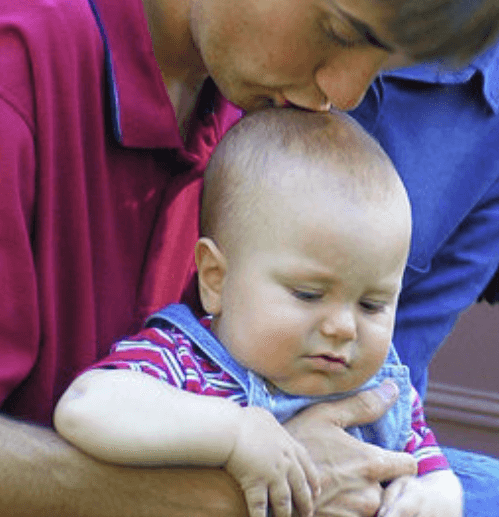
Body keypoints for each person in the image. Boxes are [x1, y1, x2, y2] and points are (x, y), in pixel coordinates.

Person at [1, 0, 499, 517]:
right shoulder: (16, 61)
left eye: (383, 66)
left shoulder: (255, 74)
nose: (338, 93)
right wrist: (243, 488)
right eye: (338, 32)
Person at [54, 109, 462, 517]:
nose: (342, 327)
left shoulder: (381, 393)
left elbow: (430, 468)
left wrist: (434, 496)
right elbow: (84, 407)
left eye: (372, 305)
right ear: (215, 279)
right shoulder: (183, 363)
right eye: (308, 294)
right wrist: (234, 432)